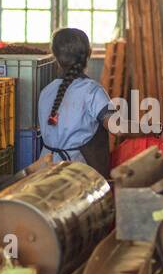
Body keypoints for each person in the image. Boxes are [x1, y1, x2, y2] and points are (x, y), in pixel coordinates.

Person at [38, 26, 112, 177]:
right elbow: (118, 127)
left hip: (44, 172)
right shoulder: (92, 91)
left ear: (55, 56)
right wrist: (155, 129)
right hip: (78, 176)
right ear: (88, 54)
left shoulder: (46, 92)